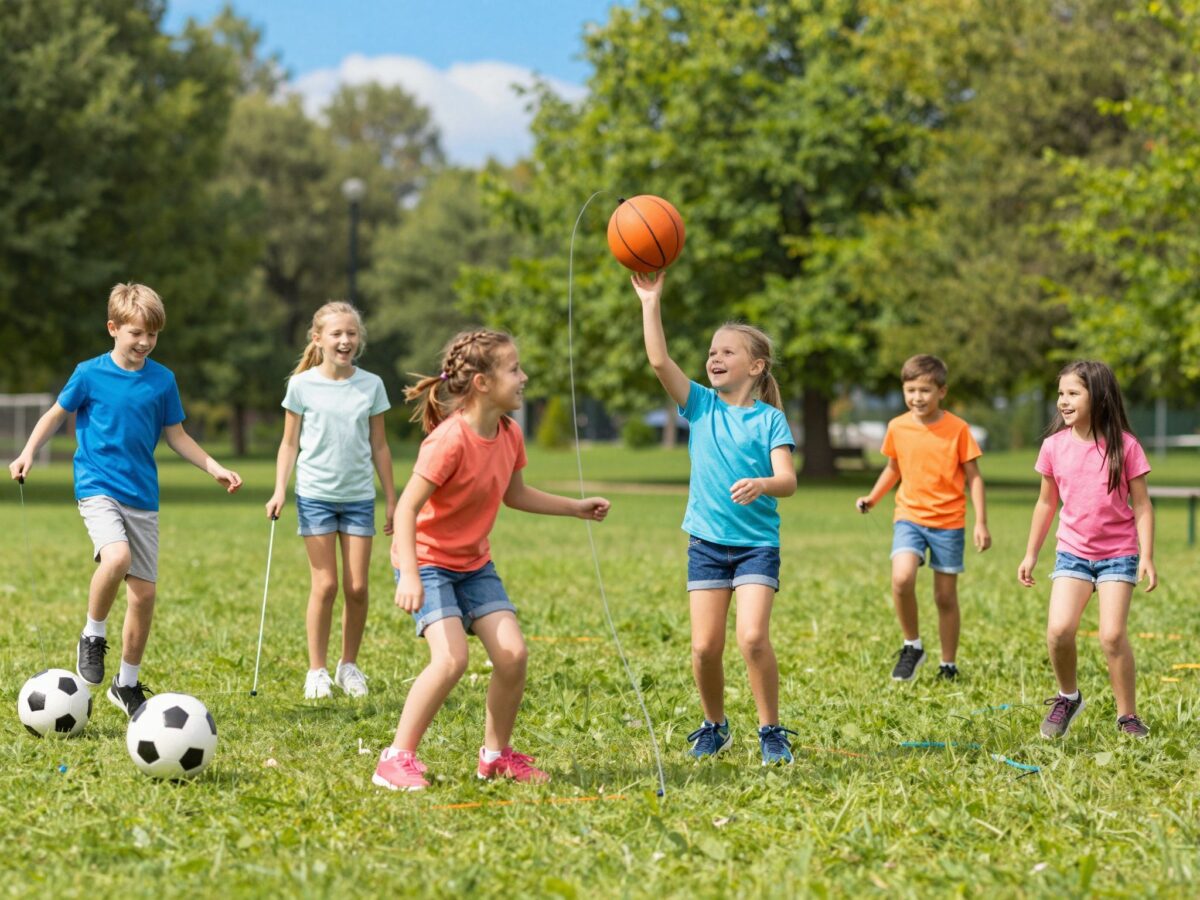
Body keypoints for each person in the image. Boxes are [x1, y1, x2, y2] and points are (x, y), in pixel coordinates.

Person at [372, 329, 610, 791]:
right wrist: (411, 576)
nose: (524, 377)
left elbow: (515, 494)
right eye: (514, 369)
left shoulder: (509, 433)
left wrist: (575, 507)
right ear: (482, 383)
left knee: (513, 655)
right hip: (428, 561)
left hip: (474, 564)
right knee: (450, 660)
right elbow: (406, 509)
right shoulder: (448, 440)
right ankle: (395, 758)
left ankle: (496, 757)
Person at [9, 283, 242, 715]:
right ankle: (92, 634)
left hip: (143, 496)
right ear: (113, 328)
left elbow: (177, 436)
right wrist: (27, 452)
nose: (145, 342)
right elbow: (55, 415)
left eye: (152, 334)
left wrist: (214, 467)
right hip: (97, 486)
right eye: (136, 333)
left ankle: (126, 684)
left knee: (144, 596)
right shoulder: (89, 373)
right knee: (116, 558)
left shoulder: (163, 380)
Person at [633, 271, 798, 766]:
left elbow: (788, 480)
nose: (714, 358)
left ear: (756, 365)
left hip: (756, 546)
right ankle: (715, 726)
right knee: (705, 648)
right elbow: (659, 360)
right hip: (706, 545)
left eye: (727, 351)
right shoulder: (700, 404)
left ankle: (771, 731)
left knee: (752, 638)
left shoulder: (769, 419)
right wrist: (650, 302)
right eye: (711, 352)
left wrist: (763, 484)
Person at [1018, 360, 1156, 739]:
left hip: (1118, 553)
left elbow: (1143, 505)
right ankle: (1068, 697)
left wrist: (1146, 555)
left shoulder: (1125, 446)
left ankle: (1127, 716)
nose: (1063, 401)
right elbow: (1046, 503)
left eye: (1073, 393)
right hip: (1073, 552)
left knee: (1112, 636)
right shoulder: (1053, 446)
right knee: (1059, 630)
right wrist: (1031, 553)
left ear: (1099, 397)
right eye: (1060, 393)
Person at [266, 302, 395, 699]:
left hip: (358, 497)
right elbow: (289, 444)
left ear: (359, 339)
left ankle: (348, 666)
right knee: (325, 585)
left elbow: (380, 445)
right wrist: (279, 489)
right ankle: (317, 670)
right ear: (317, 338)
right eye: (336, 334)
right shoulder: (301, 386)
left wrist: (392, 499)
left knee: (357, 587)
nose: (344, 340)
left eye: (351, 333)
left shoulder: (371, 385)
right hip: (315, 496)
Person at [856, 354, 990, 682]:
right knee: (902, 578)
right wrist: (873, 498)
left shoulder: (958, 429)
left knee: (945, 597)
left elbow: (974, 477)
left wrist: (981, 522)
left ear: (942, 392)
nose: (917, 397)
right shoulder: (897, 427)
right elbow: (893, 468)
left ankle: (948, 664)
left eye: (925, 390)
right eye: (911, 390)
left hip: (949, 522)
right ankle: (912, 645)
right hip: (910, 516)